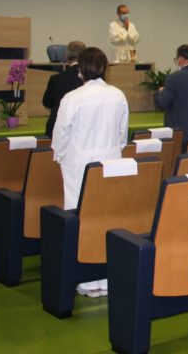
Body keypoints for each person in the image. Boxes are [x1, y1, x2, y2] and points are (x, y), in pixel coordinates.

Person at [51, 47, 128, 299]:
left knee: (80, 219)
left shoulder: (72, 98)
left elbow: (60, 134)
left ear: (80, 70)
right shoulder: (118, 95)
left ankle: (85, 280)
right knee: (108, 218)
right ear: (105, 68)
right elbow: (122, 135)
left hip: (78, 164)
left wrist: (60, 157)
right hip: (110, 163)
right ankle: (107, 278)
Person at [42, 40, 85, 137]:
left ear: (66, 56)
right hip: (81, 129)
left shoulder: (56, 79)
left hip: (57, 128)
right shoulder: (90, 79)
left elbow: (46, 102)